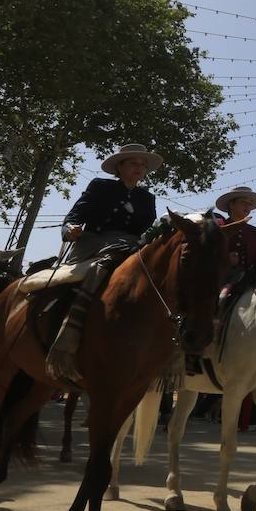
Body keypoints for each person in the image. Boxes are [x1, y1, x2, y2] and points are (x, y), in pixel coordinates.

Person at [45, 144, 160, 384]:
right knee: (102, 267)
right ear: (120, 166)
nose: (139, 168)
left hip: (131, 247)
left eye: (143, 165)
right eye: (133, 163)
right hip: (94, 243)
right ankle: (67, 333)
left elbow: (148, 230)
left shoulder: (147, 198)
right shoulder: (100, 186)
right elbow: (75, 216)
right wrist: (70, 229)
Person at [212, 186, 256, 432]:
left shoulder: (255, 232)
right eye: (244, 203)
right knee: (222, 299)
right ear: (231, 205)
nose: (248, 207)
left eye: (250, 204)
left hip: (250, 280)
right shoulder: (218, 226)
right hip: (224, 278)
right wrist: (226, 259)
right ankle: (210, 343)